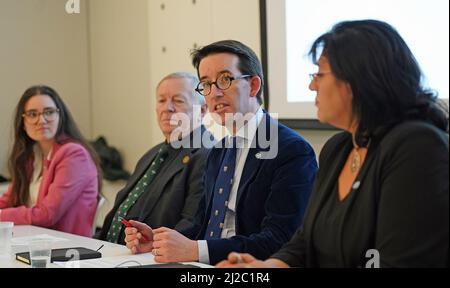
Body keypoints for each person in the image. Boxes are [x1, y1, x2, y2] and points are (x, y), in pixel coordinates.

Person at [217, 20, 449, 268]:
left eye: (319, 74)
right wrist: (266, 268)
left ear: (357, 79)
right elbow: (305, 242)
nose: (311, 85)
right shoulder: (337, 149)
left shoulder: (417, 147)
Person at [124, 40, 318, 265]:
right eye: (206, 84)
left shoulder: (290, 150)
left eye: (225, 80)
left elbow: (281, 240)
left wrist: (196, 250)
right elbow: (201, 225)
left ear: (254, 86)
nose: (214, 93)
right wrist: (159, 241)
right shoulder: (218, 150)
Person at [97, 72, 213, 244]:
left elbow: (192, 224)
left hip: (154, 256)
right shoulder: (151, 154)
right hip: (111, 249)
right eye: (161, 100)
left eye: (178, 100)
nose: (168, 108)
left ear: (202, 110)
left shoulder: (208, 154)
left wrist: (153, 245)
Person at [0, 85, 100, 237]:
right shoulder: (31, 157)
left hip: (68, 250)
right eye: (32, 114)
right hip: (34, 242)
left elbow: (47, 214)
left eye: (49, 112)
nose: (41, 120)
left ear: (60, 115)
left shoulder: (74, 155)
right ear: (23, 122)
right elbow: (8, 200)